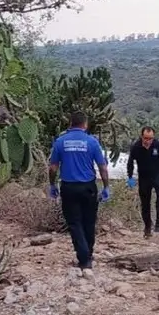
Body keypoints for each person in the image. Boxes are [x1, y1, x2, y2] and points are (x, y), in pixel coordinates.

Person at [49, 112, 111, 274]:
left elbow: (53, 167)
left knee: (75, 223)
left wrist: (52, 184)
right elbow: (102, 167)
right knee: (89, 221)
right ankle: (88, 254)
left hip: (69, 187)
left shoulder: (60, 142)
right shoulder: (92, 142)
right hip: (88, 187)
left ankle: (84, 259)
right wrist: (106, 186)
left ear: (70, 123)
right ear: (85, 124)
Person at [126, 126, 159, 237]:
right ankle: (147, 227)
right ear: (142, 137)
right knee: (145, 204)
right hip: (144, 177)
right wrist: (130, 177)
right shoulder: (136, 147)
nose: (148, 141)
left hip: (157, 175)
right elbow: (130, 162)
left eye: (150, 138)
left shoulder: (158, 145)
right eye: (146, 138)